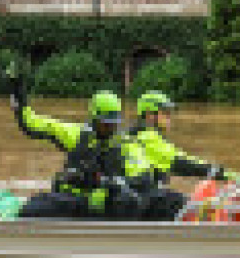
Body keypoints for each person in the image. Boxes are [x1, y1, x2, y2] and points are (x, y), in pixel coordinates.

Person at [9, 73, 157, 220]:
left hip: (106, 204)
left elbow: (144, 176)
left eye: (113, 123)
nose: (109, 127)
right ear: (94, 118)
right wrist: (19, 99)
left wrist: (114, 183)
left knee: (130, 202)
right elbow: (32, 124)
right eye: (105, 123)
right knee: (30, 210)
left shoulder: (126, 144)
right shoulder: (76, 134)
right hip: (73, 200)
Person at [130, 91, 236, 220]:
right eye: (165, 113)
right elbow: (181, 163)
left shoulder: (141, 135)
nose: (169, 118)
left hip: (145, 198)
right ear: (149, 115)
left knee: (184, 202)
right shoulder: (146, 138)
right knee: (190, 206)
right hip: (145, 201)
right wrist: (219, 172)